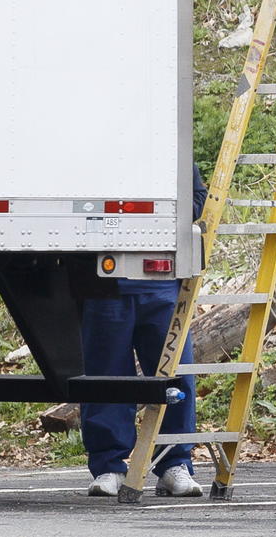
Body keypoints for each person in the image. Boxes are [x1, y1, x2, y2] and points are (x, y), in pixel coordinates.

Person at [82, 164, 208, 497]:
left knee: (176, 377)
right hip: (105, 282)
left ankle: (174, 464)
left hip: (161, 278)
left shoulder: (170, 147)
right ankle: (109, 466)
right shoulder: (97, 151)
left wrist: (159, 217)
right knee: (105, 378)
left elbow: (197, 198)